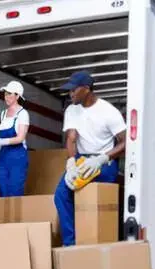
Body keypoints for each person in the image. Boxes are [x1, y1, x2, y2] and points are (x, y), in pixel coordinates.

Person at [53, 70, 127, 246]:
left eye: (73, 90)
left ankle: (103, 241)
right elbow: (71, 137)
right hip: (82, 159)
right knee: (61, 194)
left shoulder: (109, 112)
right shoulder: (71, 110)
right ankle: (71, 243)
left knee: (98, 200)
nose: (70, 94)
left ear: (86, 89)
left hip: (104, 161)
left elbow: (126, 142)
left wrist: (102, 159)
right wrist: (71, 162)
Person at [0, 80, 30, 197]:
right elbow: (2, 136)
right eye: (5, 94)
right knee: (2, 187)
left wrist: (0, 141)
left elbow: (20, 138)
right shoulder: (3, 114)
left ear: (17, 96)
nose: (6, 96)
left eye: (10, 94)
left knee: (14, 190)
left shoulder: (23, 114)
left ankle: (15, 215)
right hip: (3, 156)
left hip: (17, 157)